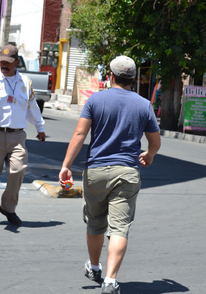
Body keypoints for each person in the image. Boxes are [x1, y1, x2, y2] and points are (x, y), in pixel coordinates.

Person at [58, 56, 161, 294]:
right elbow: (155, 142)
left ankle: (94, 267)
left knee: (95, 223)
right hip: (126, 172)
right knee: (119, 228)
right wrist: (149, 154)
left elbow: (79, 134)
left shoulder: (95, 99)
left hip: (95, 171)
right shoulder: (144, 105)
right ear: (133, 79)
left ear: (111, 76)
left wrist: (66, 166)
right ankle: (110, 281)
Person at [0, 44, 46, 227]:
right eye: (1, 62)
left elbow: (32, 107)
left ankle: (8, 207)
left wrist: (40, 127)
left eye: (8, 62)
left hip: (16, 136)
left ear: (17, 63)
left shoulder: (25, 82)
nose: (4, 65)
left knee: (18, 169)